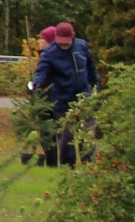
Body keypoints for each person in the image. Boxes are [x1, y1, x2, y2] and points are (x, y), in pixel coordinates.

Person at [30, 20, 98, 167]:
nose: (63, 45)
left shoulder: (81, 46)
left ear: (73, 36)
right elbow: (41, 72)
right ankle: (69, 170)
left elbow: (91, 67)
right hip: (62, 102)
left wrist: (95, 85)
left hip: (84, 99)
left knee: (87, 136)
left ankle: (90, 169)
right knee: (67, 142)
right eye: (60, 41)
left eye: (66, 41)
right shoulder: (49, 53)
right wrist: (34, 84)